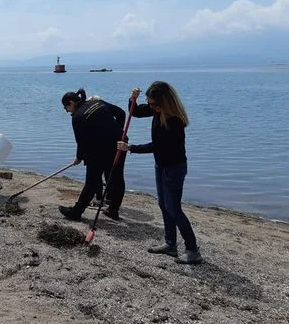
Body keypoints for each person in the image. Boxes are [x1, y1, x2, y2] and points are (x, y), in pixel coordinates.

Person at [117, 82, 202, 265]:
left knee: (174, 207)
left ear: (165, 102)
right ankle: (170, 244)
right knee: (163, 204)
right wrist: (132, 99)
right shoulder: (157, 110)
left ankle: (193, 249)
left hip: (174, 168)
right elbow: (136, 112)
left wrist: (130, 148)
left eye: (154, 104)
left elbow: (158, 146)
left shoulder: (174, 121)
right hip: (161, 165)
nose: (151, 107)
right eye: (150, 103)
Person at [59, 88, 126, 221]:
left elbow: (81, 142)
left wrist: (79, 157)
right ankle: (113, 211)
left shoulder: (77, 117)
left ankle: (76, 212)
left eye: (66, 108)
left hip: (98, 151)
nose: (67, 111)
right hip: (119, 144)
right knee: (117, 177)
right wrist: (118, 131)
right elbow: (121, 113)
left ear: (71, 103)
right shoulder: (98, 103)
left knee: (92, 182)